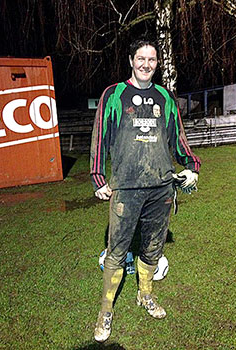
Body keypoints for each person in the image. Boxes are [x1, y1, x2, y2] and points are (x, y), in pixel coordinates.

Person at [90, 38, 201, 342]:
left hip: (161, 189)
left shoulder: (165, 97)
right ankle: (106, 310)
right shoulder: (114, 95)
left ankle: (145, 295)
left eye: (152, 60)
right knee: (116, 251)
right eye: (141, 58)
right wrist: (99, 178)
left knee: (153, 248)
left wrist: (191, 165)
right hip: (125, 189)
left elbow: (178, 137)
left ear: (157, 64)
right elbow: (100, 137)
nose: (146, 64)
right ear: (130, 60)